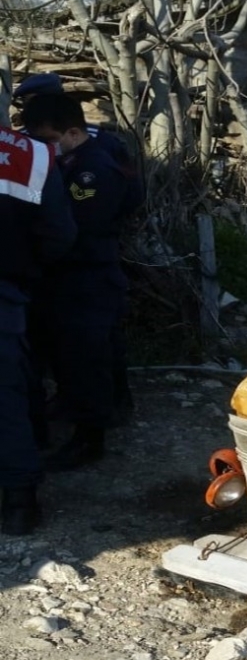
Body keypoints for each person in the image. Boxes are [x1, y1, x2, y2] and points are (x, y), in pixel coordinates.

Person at [23, 93, 143, 471]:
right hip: (82, 275)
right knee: (90, 350)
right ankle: (104, 407)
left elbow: (74, 230)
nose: (43, 149)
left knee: (85, 357)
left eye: (46, 140)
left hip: (85, 276)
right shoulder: (85, 155)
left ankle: (90, 438)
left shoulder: (92, 171)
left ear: (72, 132)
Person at [0, 122, 77, 533]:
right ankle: (18, 503)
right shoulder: (33, 155)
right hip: (6, 292)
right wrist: (26, 272)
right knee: (6, 399)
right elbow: (59, 234)